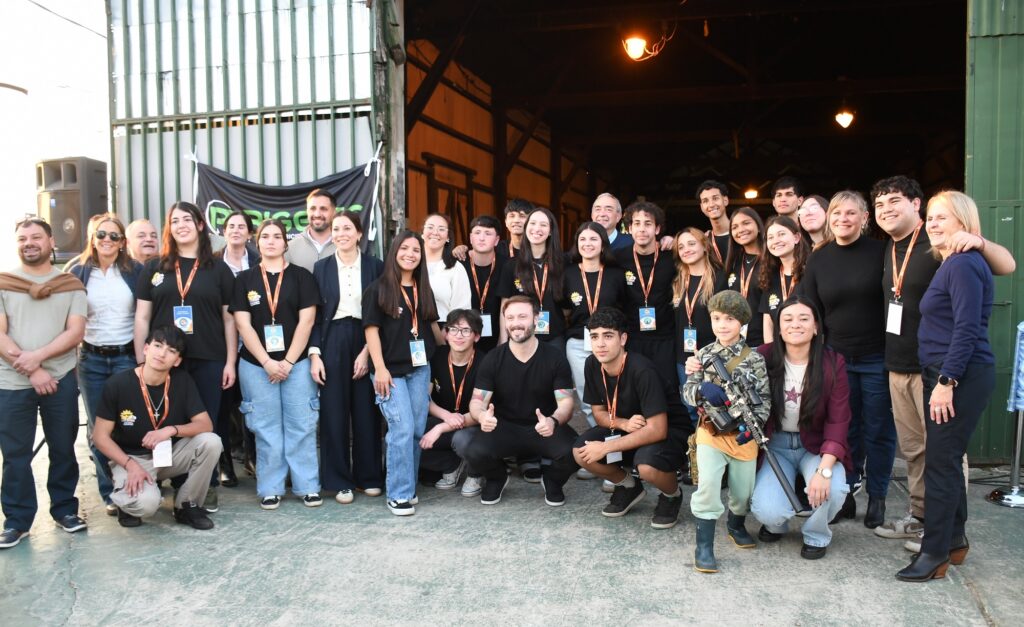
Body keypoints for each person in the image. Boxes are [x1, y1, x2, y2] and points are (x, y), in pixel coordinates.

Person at [871, 176, 1015, 546]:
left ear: (915, 205)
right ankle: (921, 518)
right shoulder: (888, 248)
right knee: (916, 451)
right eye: (879, 204)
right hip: (899, 364)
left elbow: (1008, 265)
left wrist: (980, 241)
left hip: (937, 370)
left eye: (894, 201)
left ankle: (944, 531)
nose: (885, 210)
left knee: (945, 455)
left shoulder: (945, 244)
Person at [897, 191, 997, 582]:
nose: (934, 223)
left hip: (957, 374)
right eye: (932, 217)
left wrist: (946, 381)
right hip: (947, 372)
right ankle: (954, 541)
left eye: (944, 217)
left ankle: (934, 554)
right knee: (947, 460)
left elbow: (967, 328)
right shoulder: (953, 263)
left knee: (940, 464)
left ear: (964, 222)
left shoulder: (964, 264)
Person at [797, 190, 893, 527]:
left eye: (851, 213)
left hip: (877, 357)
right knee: (844, 428)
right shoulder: (819, 259)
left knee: (878, 429)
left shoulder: (882, 252)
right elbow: (810, 309)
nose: (843, 219)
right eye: (837, 213)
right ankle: (847, 492)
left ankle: (878, 496)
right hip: (836, 358)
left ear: (865, 218)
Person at [134, 201, 237, 513]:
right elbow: (142, 317)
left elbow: (229, 320)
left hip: (209, 358)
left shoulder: (218, 269)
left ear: (200, 225)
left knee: (205, 423)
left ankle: (207, 485)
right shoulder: (155, 267)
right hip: (163, 361)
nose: (181, 226)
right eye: (175, 221)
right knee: (166, 420)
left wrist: (230, 362)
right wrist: (142, 361)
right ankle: (173, 482)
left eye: (187, 220)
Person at [0, 218, 88, 550]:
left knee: (63, 447)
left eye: (36, 237)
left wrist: (38, 359)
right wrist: (33, 370)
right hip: (12, 382)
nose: (29, 243)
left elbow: (75, 332)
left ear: (52, 242)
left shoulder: (70, 284)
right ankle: (17, 521)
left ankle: (65, 510)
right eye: (22, 238)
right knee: (15, 455)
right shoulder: (4, 283)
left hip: (60, 378)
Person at [92, 326, 221, 530]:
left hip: (167, 456)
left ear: (177, 360)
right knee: (146, 506)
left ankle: (187, 505)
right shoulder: (118, 384)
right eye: (158, 346)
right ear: (145, 349)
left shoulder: (182, 381)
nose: (162, 354)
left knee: (211, 442)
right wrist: (130, 465)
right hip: (130, 459)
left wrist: (171, 430)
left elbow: (205, 424)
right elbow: (100, 437)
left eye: (171, 351)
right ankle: (127, 502)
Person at [750, 296, 851, 559]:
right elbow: (728, 365)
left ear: (816, 327)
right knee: (768, 511)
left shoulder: (833, 362)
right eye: (788, 319)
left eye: (804, 319)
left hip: (816, 446)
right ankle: (777, 524)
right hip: (775, 445)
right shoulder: (762, 357)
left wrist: (824, 470)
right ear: (779, 328)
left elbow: (838, 421)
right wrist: (697, 364)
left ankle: (816, 534)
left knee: (834, 488)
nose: (796, 324)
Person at [231, 219, 322, 510]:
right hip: (256, 365)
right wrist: (268, 362)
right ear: (257, 243)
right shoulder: (244, 280)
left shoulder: (302, 277)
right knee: (265, 428)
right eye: (265, 236)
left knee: (302, 425)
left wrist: (288, 362)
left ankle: (307, 486)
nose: (271, 241)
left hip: (297, 364)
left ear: (285, 243)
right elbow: (243, 325)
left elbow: (307, 322)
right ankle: (270, 488)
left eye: (277, 236)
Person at [573, 307, 691, 529]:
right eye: (594, 337)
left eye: (608, 336)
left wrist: (606, 447)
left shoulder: (642, 369)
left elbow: (658, 430)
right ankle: (629, 486)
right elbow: (599, 413)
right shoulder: (592, 364)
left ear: (623, 339)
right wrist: (623, 423)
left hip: (669, 431)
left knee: (646, 467)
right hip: (629, 428)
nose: (600, 344)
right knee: (581, 453)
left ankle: (672, 495)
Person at [682, 290, 770, 573]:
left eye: (730, 319)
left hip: (743, 435)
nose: (722, 325)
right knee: (708, 486)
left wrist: (754, 425)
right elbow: (686, 392)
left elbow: (764, 399)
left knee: (743, 492)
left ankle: (735, 524)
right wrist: (700, 390)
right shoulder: (703, 355)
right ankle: (704, 545)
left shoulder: (755, 359)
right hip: (711, 433)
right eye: (717, 318)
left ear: (741, 322)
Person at [464, 296, 578, 506]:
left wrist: (553, 420)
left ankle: (552, 480)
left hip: (543, 426)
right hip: (504, 426)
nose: (515, 323)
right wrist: (481, 417)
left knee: (577, 452)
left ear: (536, 318)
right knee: (474, 452)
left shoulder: (555, 357)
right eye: (510, 318)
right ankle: (497, 478)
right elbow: (477, 401)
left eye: (522, 316)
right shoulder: (493, 358)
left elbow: (566, 403)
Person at [66, 213, 144, 516]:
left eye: (114, 236)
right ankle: (108, 490)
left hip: (126, 356)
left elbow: (145, 313)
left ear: (122, 242)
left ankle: (131, 483)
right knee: (98, 428)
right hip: (92, 359)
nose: (107, 240)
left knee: (127, 423)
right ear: (93, 238)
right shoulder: (78, 271)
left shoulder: (135, 271)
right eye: (101, 234)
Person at [363, 231, 442, 516]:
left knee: (417, 429)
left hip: (420, 369)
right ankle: (398, 494)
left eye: (416, 250)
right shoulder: (378, 289)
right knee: (402, 428)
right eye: (405, 248)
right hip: (390, 371)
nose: (410, 254)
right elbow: (371, 331)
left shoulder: (423, 289)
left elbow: (431, 328)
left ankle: (407, 486)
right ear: (394, 251)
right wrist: (380, 368)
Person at [311, 212, 384, 504]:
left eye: (347, 228)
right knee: (334, 411)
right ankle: (339, 480)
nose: (341, 233)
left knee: (367, 410)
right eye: (336, 229)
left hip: (367, 337)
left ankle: (369, 477)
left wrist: (368, 351)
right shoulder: (321, 268)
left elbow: (381, 311)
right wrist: (315, 354)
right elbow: (315, 316)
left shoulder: (375, 266)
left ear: (359, 233)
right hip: (332, 339)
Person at [564, 222, 626, 430]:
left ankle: (619, 435)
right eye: (582, 239)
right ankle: (597, 434)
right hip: (578, 343)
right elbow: (564, 308)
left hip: (611, 341)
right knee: (587, 395)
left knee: (615, 390)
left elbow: (624, 306)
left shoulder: (616, 274)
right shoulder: (568, 273)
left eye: (593, 239)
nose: (587, 243)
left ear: (603, 244)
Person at [214, 209, 259, 488]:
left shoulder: (258, 261)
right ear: (223, 232)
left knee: (251, 405)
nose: (236, 230)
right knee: (222, 407)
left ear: (250, 233)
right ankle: (225, 465)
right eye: (231, 226)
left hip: (254, 345)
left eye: (242, 226)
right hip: (220, 345)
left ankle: (253, 459)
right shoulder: (211, 263)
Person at [419, 309, 486, 494]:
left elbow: (482, 412)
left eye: (466, 330)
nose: (459, 335)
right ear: (446, 334)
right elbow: (424, 399)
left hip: (473, 425)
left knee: (462, 439)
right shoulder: (437, 357)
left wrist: (441, 428)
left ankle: (475, 473)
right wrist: (446, 416)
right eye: (453, 329)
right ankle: (451, 463)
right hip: (444, 418)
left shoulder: (486, 363)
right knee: (407, 434)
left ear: (476, 336)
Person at [614, 201, 679, 382]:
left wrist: (675, 241)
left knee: (667, 388)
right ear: (630, 228)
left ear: (657, 229)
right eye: (637, 223)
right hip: (632, 338)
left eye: (648, 224)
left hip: (665, 338)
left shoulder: (671, 257)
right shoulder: (618, 257)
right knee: (636, 388)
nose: (642, 229)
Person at [498, 206, 567, 351]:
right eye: (533, 223)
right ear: (526, 228)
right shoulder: (511, 266)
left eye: (543, 224)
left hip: (555, 338)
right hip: (520, 337)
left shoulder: (563, 263)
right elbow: (504, 306)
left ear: (550, 231)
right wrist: (503, 341)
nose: (537, 228)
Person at [671, 228, 721, 426]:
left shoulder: (719, 278)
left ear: (705, 246)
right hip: (684, 358)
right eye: (681, 247)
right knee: (691, 408)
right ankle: (696, 444)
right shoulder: (677, 280)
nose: (686, 250)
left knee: (715, 409)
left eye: (692, 244)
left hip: (712, 357)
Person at [759, 216, 810, 341]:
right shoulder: (770, 275)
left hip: (807, 346)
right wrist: (769, 348)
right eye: (770, 237)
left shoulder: (811, 271)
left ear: (796, 238)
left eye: (781, 234)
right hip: (778, 348)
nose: (776, 241)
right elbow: (768, 321)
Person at [460, 215, 504, 353]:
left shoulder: (506, 265)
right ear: (470, 238)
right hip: (463, 338)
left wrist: (503, 343)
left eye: (488, 233)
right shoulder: (459, 263)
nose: (482, 238)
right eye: (477, 232)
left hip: (497, 339)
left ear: (497, 240)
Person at [723, 206, 766, 346]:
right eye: (734, 227)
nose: (740, 230)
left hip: (763, 342)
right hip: (735, 342)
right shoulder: (733, 262)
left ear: (758, 227)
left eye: (746, 223)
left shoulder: (772, 260)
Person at [422, 214, 472, 324]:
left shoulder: (456, 268)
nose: (435, 232)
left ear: (448, 237)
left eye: (441, 229)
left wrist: (447, 331)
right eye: (430, 227)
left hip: (444, 328)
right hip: (411, 327)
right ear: (422, 233)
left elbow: (462, 310)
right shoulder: (411, 263)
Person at [285, 188, 337, 272]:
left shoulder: (345, 246)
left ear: (334, 212)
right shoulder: (290, 248)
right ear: (307, 211)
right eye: (312, 208)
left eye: (323, 209)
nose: (317, 214)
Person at [695, 180, 733, 265]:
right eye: (705, 201)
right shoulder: (704, 241)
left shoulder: (742, 234)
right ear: (701, 207)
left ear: (725, 200)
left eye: (715, 198)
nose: (711, 204)